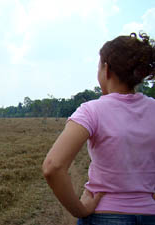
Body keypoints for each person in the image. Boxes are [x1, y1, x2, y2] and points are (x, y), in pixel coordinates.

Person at [42, 32, 155, 225]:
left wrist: (80, 209)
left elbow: (53, 166)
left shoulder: (91, 111)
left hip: (105, 215)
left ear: (106, 69)